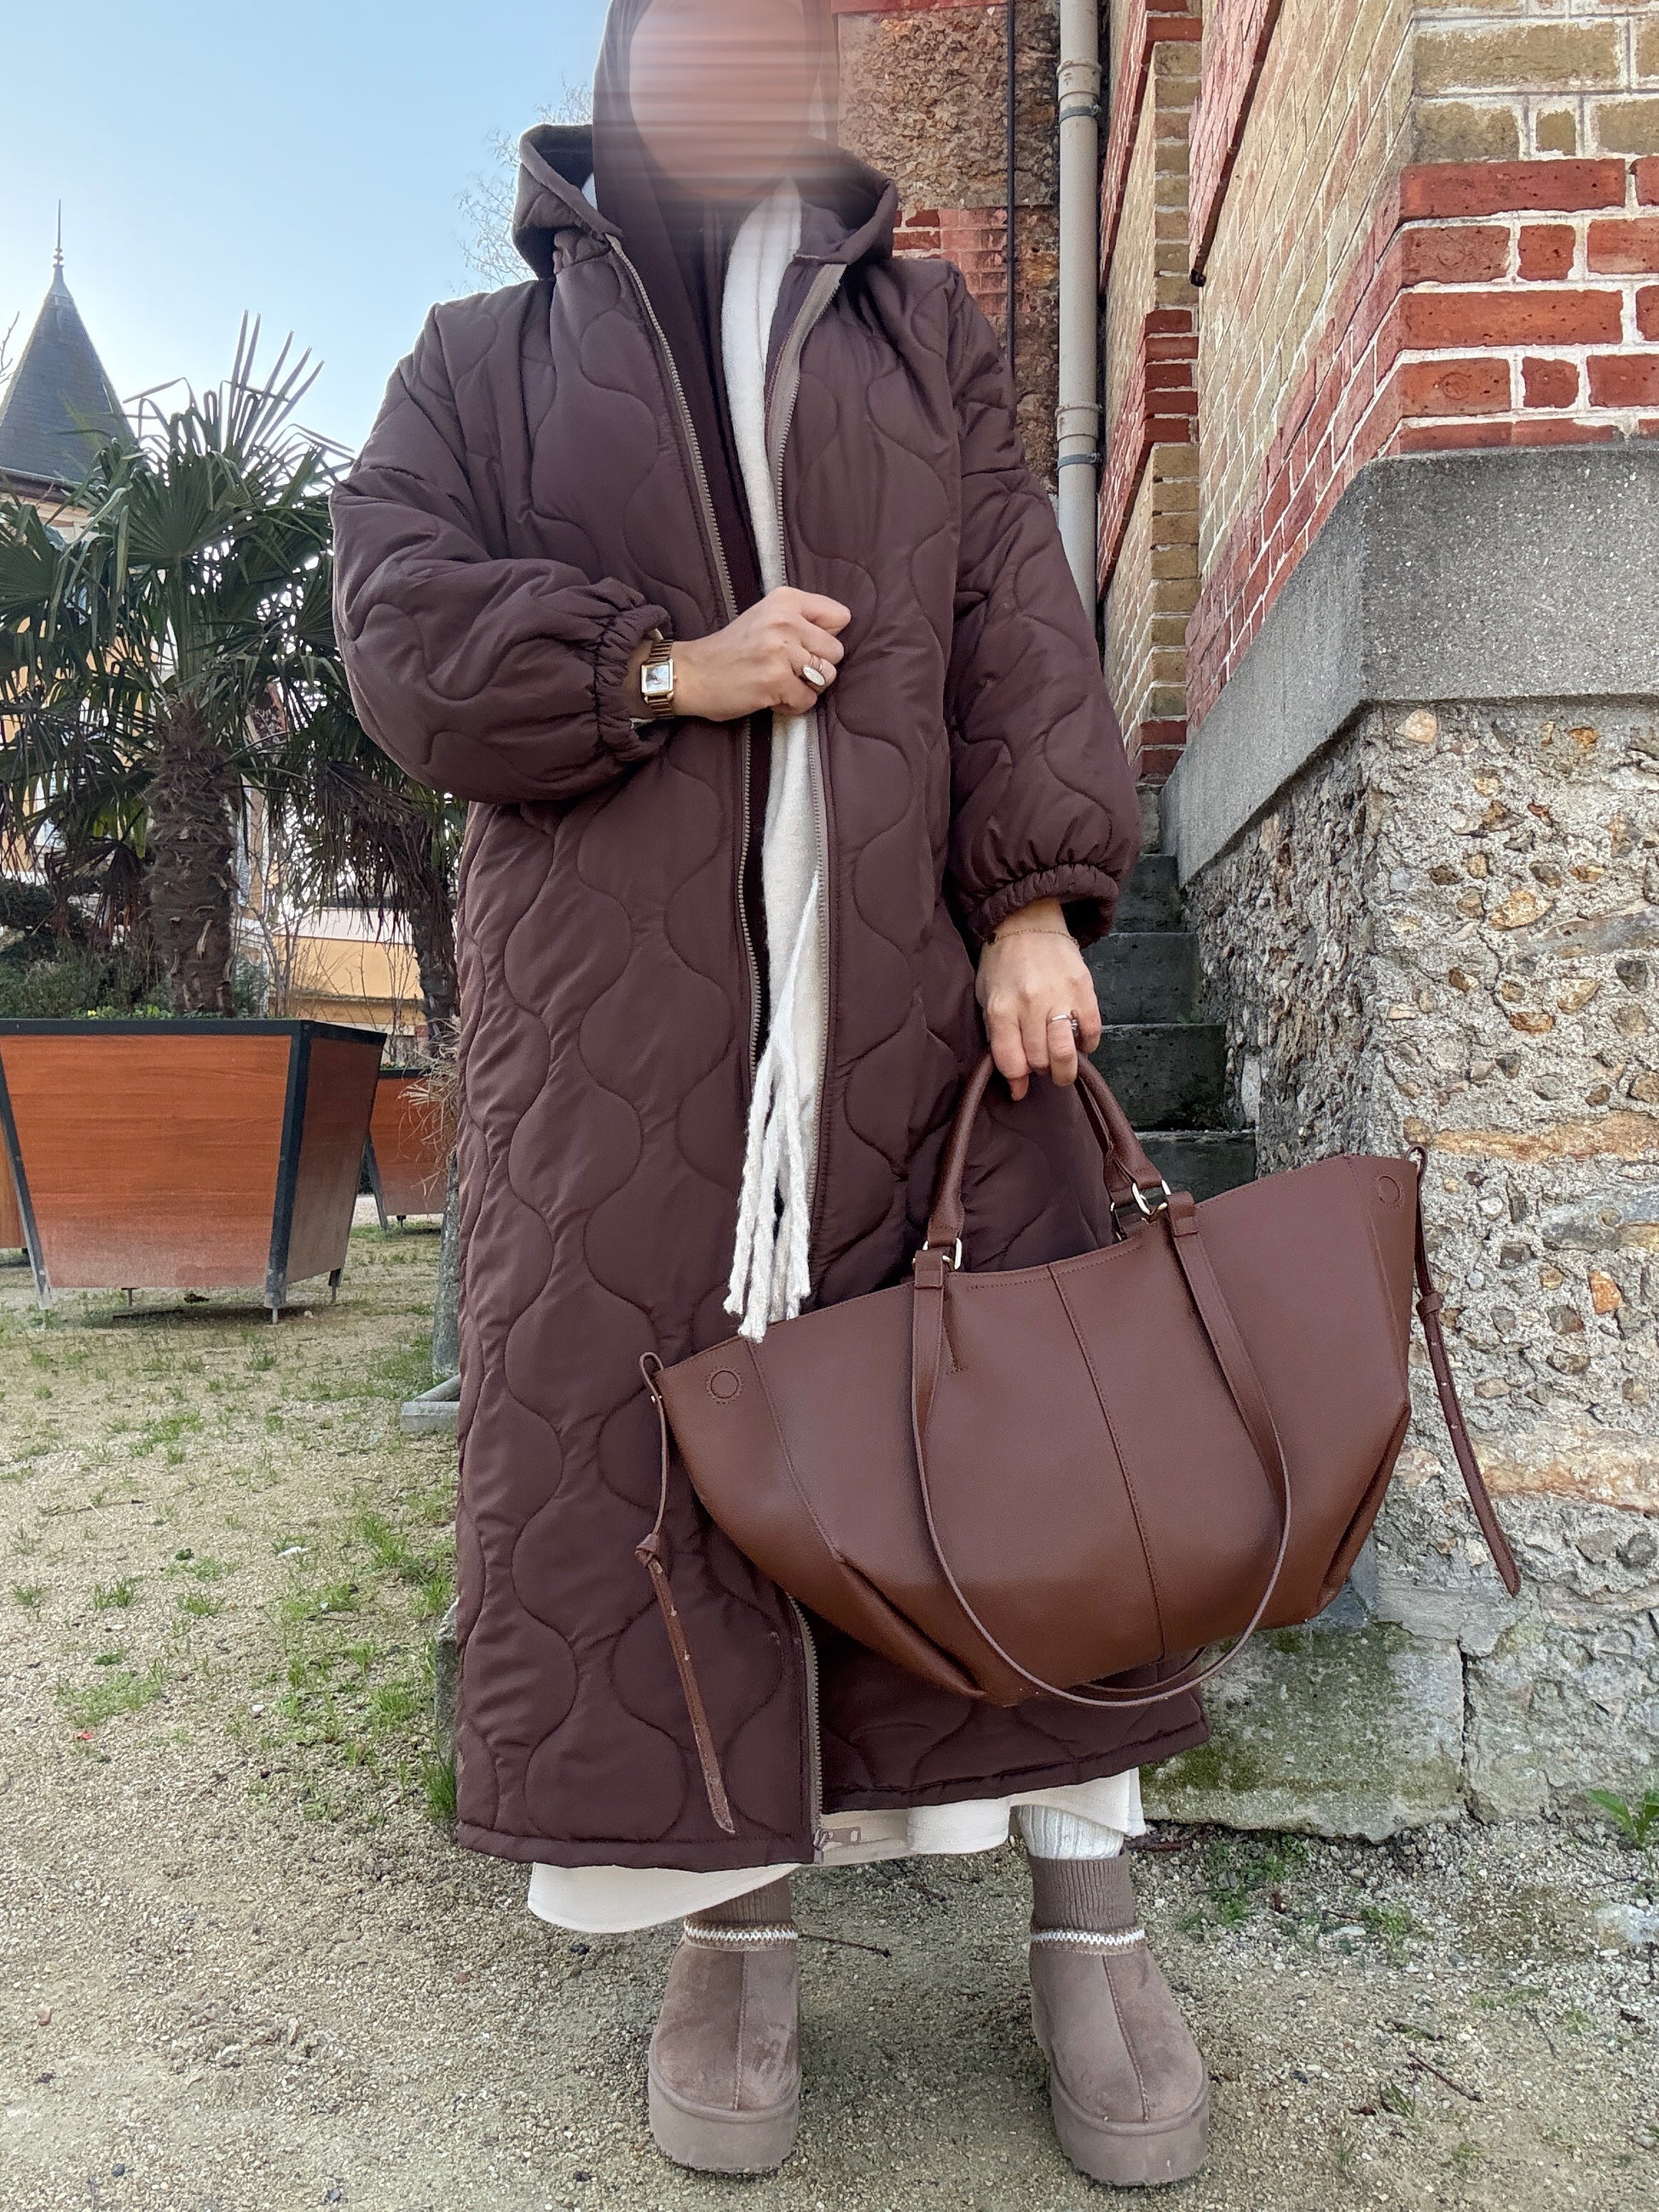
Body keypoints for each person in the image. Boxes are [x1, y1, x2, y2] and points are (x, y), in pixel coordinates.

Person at [332, 0, 1210, 2186]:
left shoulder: (925, 328)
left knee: (1023, 1443)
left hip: (918, 1002)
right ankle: (730, 1930)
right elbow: (398, 624)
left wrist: (1036, 902)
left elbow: (1015, 607)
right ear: (625, 64)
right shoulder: (478, 362)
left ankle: (1090, 1922)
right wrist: (654, 665)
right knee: (670, 1461)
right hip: (625, 1038)